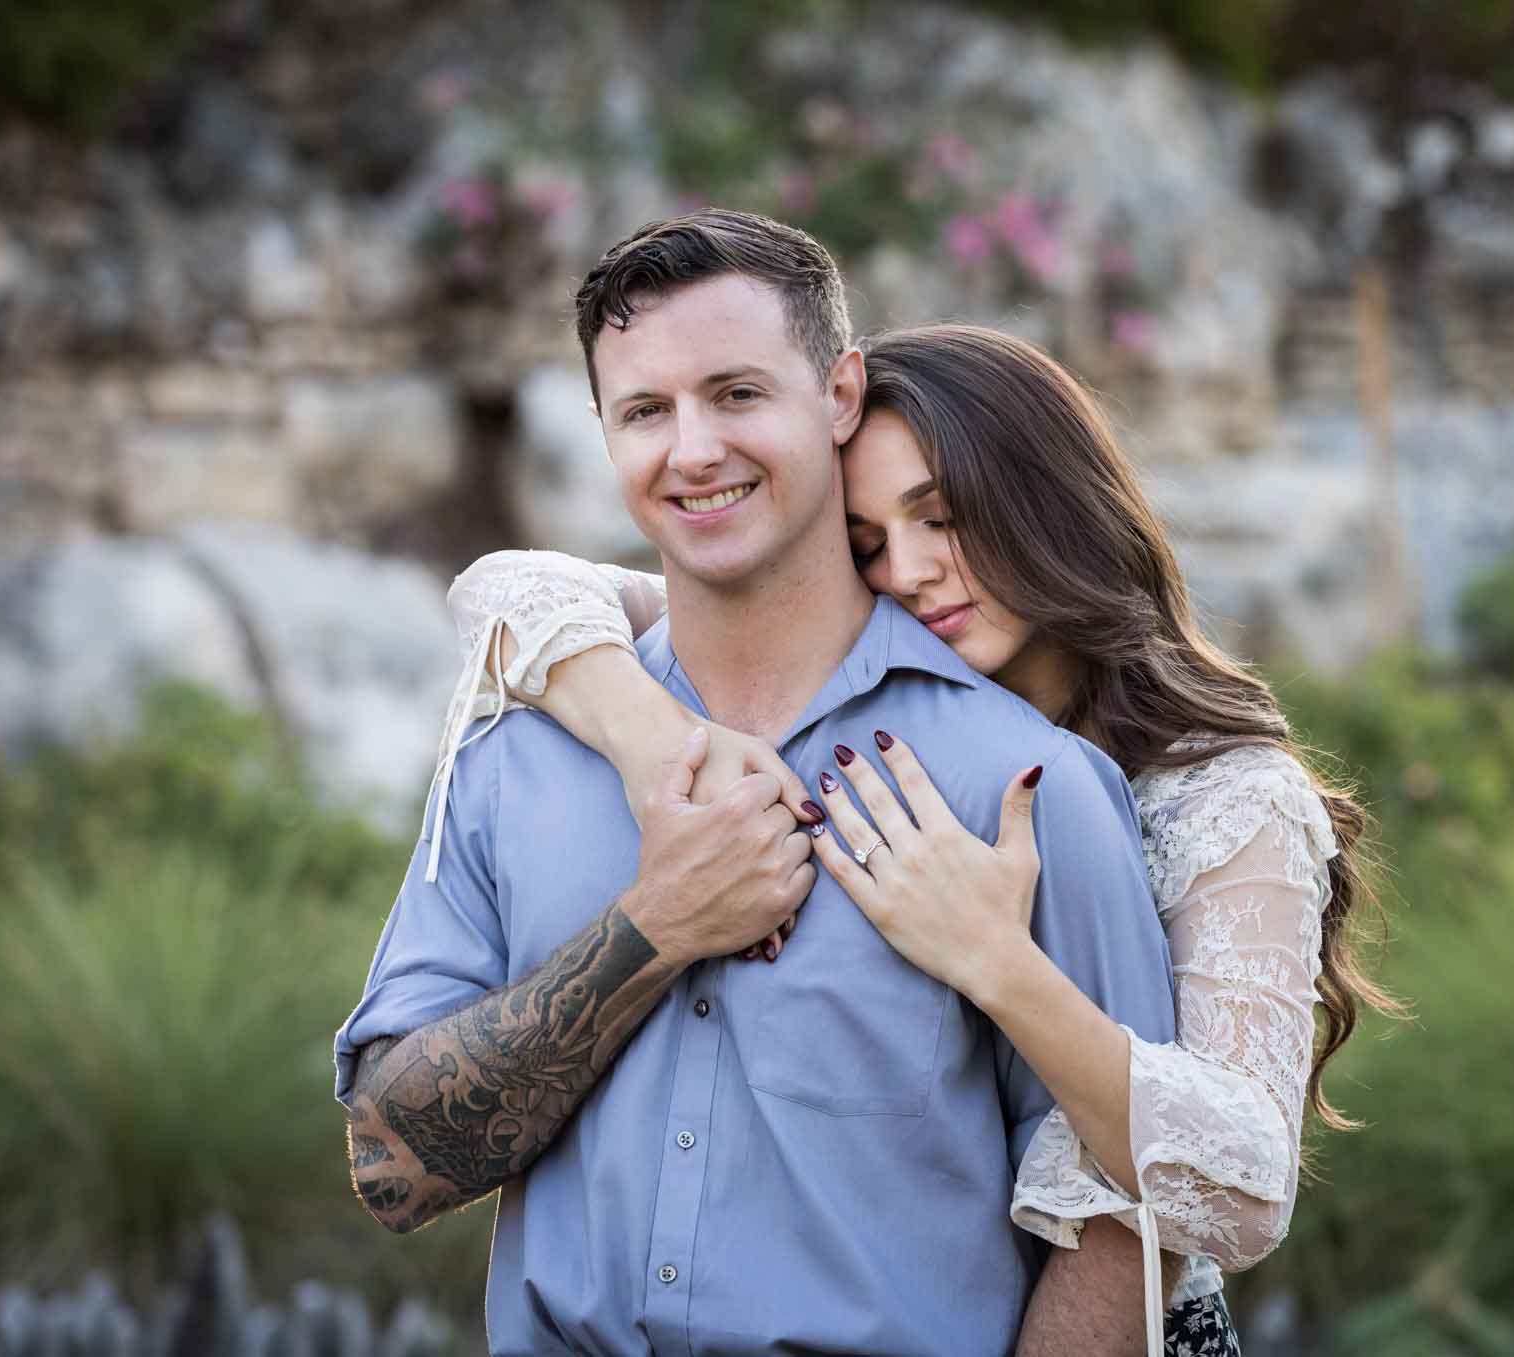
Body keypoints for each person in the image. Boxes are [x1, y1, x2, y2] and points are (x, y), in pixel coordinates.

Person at [457, 322, 1402, 1354]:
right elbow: (507, 591)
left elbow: (1243, 1188)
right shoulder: (908, 734)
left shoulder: (1224, 795)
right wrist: (651, 745)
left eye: (940, 518)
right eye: (864, 542)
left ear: (1047, 502)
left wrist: (994, 960)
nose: (906, 572)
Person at [334, 209, 1179, 1356]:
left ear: (837, 396)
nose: (691, 450)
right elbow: (393, 1171)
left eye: (735, 394)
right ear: (603, 432)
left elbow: (1126, 1223)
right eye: (645, 411)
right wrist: (654, 927)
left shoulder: (1025, 784)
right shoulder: (514, 757)